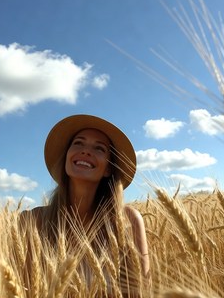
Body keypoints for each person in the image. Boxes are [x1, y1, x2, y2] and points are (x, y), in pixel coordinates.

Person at [20, 114, 149, 278]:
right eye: (78, 143)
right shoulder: (35, 221)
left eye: (99, 148)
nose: (85, 151)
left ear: (108, 169)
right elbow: (25, 295)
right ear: (67, 156)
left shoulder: (127, 221)